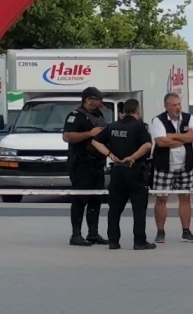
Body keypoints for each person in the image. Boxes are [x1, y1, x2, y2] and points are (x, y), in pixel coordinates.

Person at [99, 95, 154, 251]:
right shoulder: (139, 126)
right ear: (137, 110)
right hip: (135, 170)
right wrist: (133, 157)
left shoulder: (113, 126)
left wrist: (110, 155)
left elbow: (96, 141)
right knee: (138, 208)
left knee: (115, 208)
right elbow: (147, 145)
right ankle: (139, 241)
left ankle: (113, 241)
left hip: (117, 170)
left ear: (123, 111)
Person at [151, 91, 193, 243]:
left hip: (185, 166)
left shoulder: (188, 118)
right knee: (161, 199)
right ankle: (160, 232)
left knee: (185, 198)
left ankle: (186, 232)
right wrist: (184, 138)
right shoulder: (158, 120)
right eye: (173, 105)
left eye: (178, 104)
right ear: (166, 107)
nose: (177, 108)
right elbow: (161, 142)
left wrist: (172, 136)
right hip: (164, 167)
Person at [63, 88, 110, 245]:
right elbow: (67, 136)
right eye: (94, 99)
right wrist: (89, 133)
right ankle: (76, 235)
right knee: (80, 199)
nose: (97, 102)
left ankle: (93, 233)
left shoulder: (99, 115)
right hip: (81, 163)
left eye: (98, 99)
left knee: (96, 199)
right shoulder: (75, 116)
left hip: (96, 163)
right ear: (87, 99)